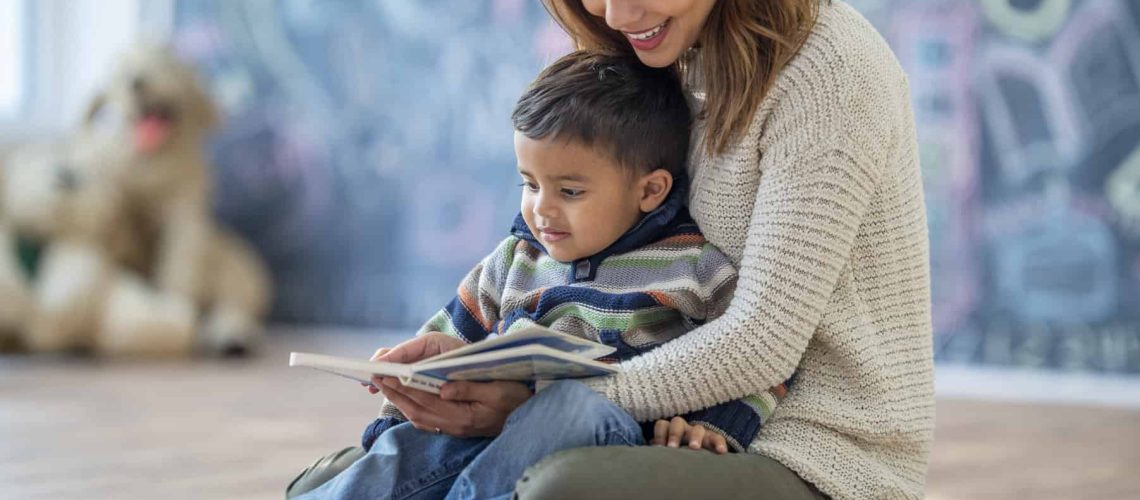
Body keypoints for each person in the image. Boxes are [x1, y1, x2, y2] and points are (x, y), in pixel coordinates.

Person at [287, 50, 788, 500]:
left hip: (610, 436)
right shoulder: (514, 259)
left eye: (570, 192)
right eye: (529, 184)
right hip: (489, 434)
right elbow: (445, 336)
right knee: (400, 449)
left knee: (571, 407)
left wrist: (717, 427)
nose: (541, 210)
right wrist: (405, 400)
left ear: (650, 190)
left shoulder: (692, 267)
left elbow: (760, 363)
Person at [509, 1, 935, 499]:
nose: (616, 15)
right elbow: (565, 243)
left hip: (812, 450)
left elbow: (761, 343)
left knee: (560, 490)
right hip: (658, 416)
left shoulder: (831, 69)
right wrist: (462, 367)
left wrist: (542, 399)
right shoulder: (663, 46)